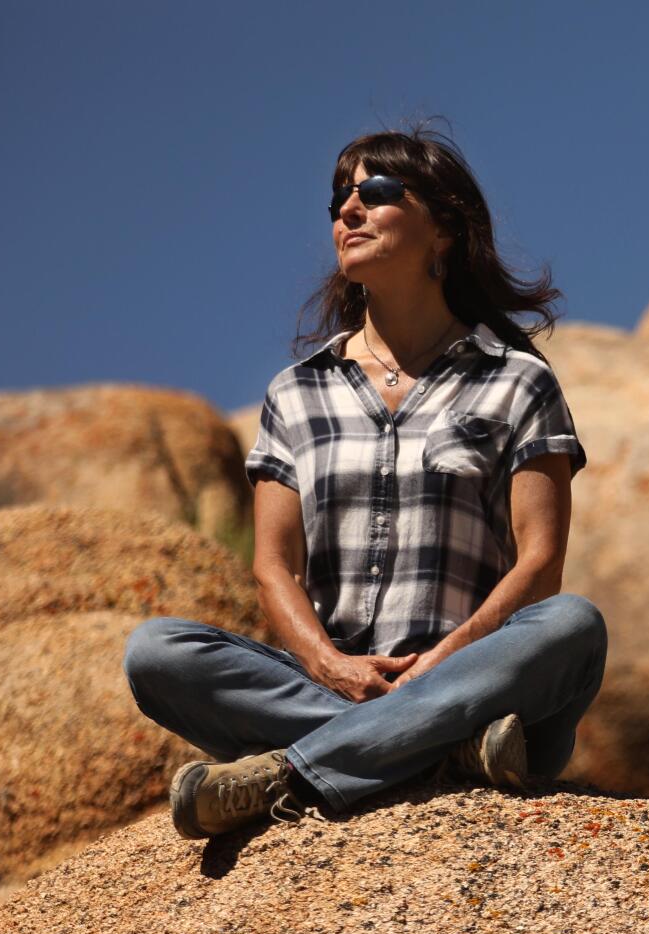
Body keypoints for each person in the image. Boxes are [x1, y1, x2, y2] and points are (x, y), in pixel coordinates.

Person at [124, 124, 606, 839]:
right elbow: (272, 566)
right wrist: (331, 664)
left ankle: (289, 771)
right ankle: (445, 749)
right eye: (338, 199)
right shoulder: (295, 393)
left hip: (474, 667)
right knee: (156, 653)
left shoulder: (517, 381)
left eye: (375, 192)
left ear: (443, 227)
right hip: (333, 680)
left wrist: (445, 664)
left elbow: (541, 562)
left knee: (573, 627)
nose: (347, 210)